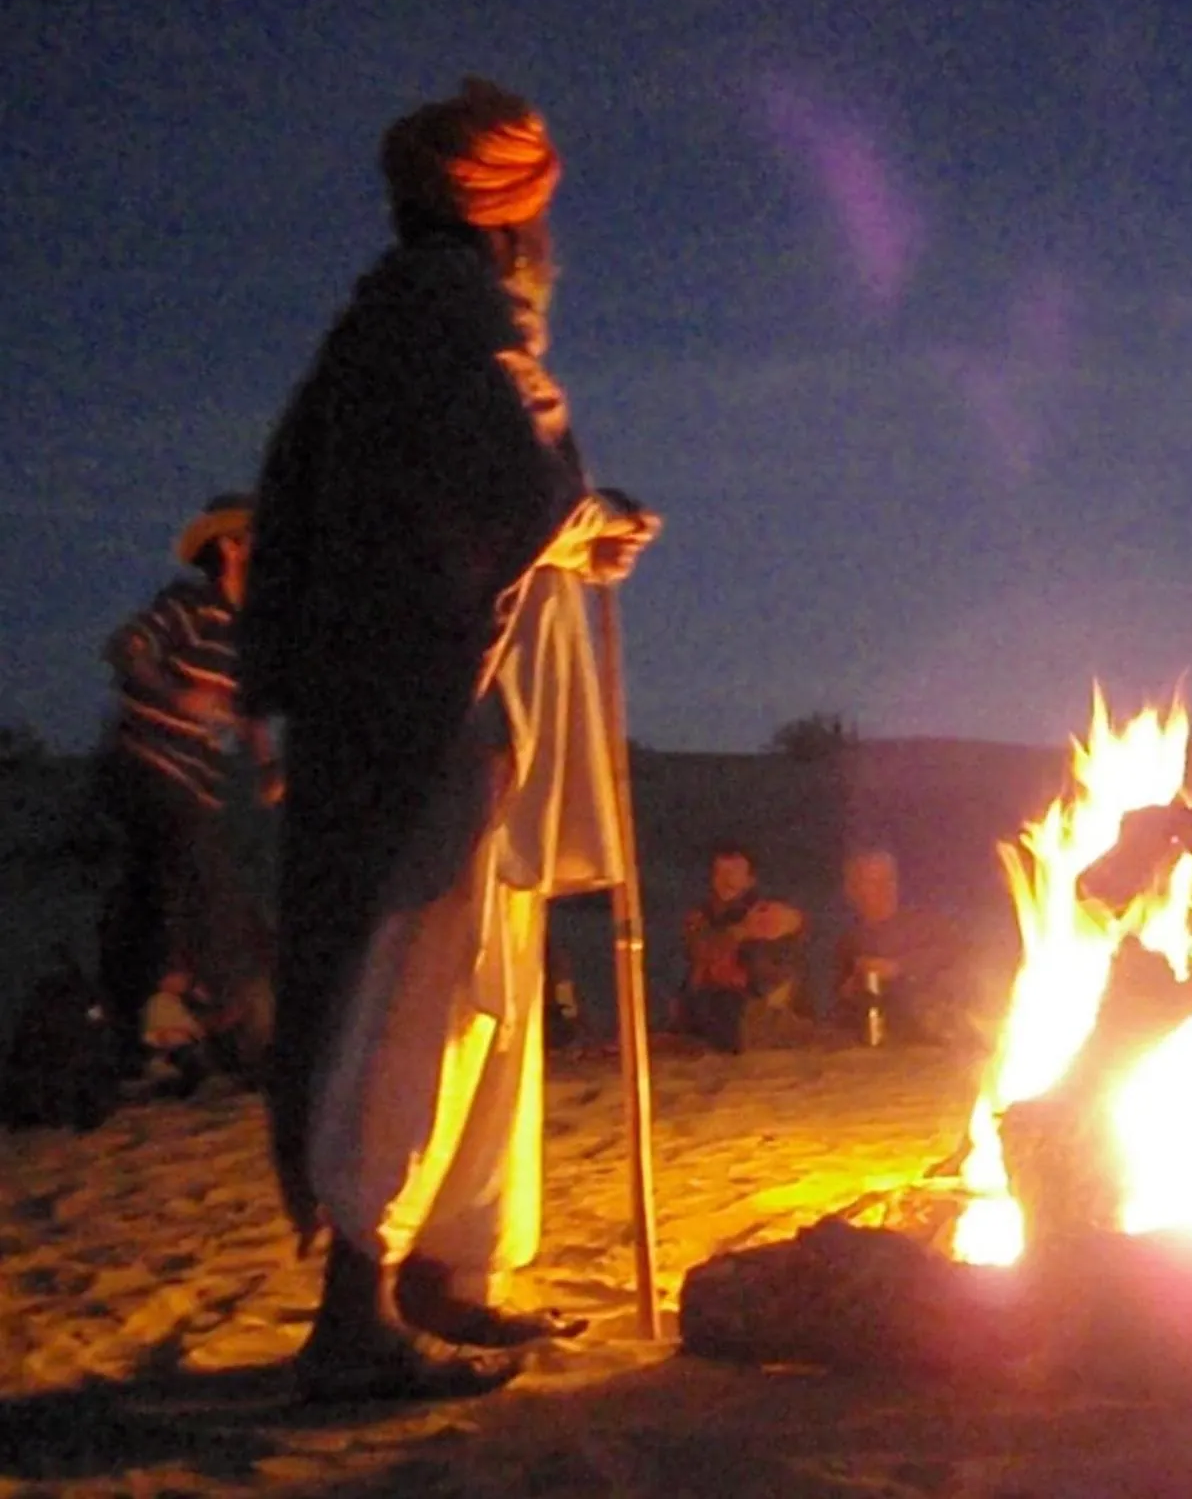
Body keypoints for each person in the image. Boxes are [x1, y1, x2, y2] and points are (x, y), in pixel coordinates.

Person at [239, 78, 661, 1402]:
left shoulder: (383, 326)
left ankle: (438, 1269)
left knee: (482, 972)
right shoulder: (452, 321)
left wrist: (571, 523)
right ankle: (356, 1310)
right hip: (422, 707)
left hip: (424, 696)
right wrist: (590, 526)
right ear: (506, 218)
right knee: (415, 981)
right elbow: (515, 489)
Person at [95, 493, 279, 1080]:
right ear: (231, 546)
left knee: (168, 895)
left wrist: (268, 764)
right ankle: (232, 1027)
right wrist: (178, 696)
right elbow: (126, 647)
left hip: (193, 783)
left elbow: (247, 707)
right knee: (204, 881)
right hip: (146, 763)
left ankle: (157, 1028)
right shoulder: (189, 606)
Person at [832, 847, 979, 1046]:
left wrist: (899, 967)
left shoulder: (926, 924)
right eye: (874, 882)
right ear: (853, 890)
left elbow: (959, 955)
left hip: (933, 1038)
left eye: (890, 880)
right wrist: (852, 987)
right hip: (873, 1042)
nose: (885, 889)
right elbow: (833, 996)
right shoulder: (847, 936)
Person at [679, 843, 808, 1054]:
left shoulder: (764, 910)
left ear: (750, 879)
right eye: (720, 873)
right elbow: (703, 950)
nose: (726, 880)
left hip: (759, 1001)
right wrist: (741, 931)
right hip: (716, 1002)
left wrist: (792, 921)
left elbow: (795, 929)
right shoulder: (701, 916)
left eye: (734, 873)